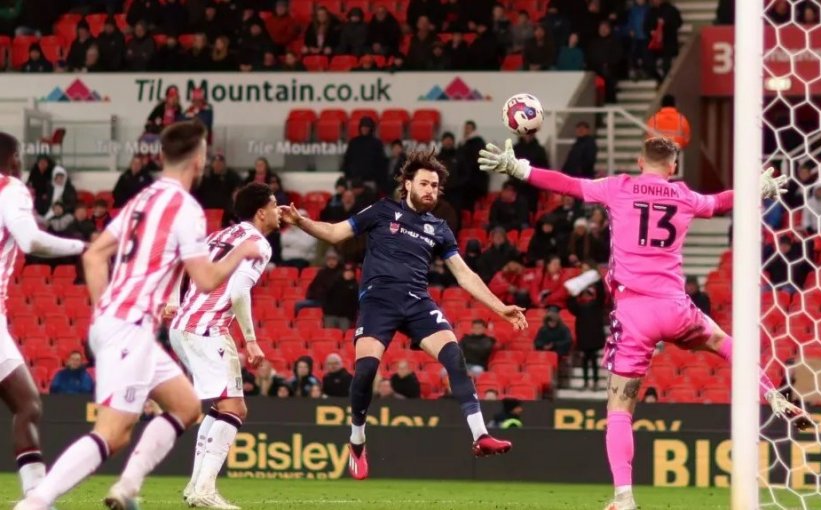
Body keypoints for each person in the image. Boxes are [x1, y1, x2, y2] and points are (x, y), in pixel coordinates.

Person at [478, 136, 812, 510]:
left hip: (634, 312)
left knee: (619, 409)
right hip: (675, 306)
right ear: (673, 167)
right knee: (724, 343)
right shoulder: (683, 195)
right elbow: (719, 202)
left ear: (639, 161)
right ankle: (772, 394)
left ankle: (624, 497)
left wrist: (517, 168)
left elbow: (568, 184)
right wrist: (757, 189)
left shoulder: (619, 187)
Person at [15, 122, 263, 510]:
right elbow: (206, 276)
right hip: (128, 327)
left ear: (162, 156)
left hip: (121, 323)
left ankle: (127, 488)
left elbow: (94, 255)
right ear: (198, 159)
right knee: (112, 434)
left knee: (185, 405)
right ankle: (36, 502)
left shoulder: (141, 199)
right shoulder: (187, 209)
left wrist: (104, 314)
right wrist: (239, 253)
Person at [279, 149, 526, 480]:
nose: (430, 190)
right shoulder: (382, 211)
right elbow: (337, 233)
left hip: (417, 303)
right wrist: (301, 222)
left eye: (435, 186)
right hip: (378, 302)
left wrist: (499, 307)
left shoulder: (439, 228)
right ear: (407, 183)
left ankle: (480, 435)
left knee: (455, 358)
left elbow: (464, 275)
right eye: (424, 183)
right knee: (365, 372)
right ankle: (356, 440)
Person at [166, 182, 277, 508]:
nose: (278, 210)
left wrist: (173, 301)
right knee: (234, 408)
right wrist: (252, 342)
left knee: (223, 407)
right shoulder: (258, 244)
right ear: (260, 212)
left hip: (182, 327)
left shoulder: (221, 235)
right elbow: (239, 292)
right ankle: (204, 491)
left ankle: (195, 488)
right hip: (206, 328)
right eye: (274, 205)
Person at [0, 132, 87, 500]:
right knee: (28, 404)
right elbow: (31, 240)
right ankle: (36, 499)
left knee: (27, 404)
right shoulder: (10, 187)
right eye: (19, 155)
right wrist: (84, 245)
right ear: (13, 157)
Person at [322, 263, 360, 332]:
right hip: (330, 315)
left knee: (344, 335)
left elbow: (356, 303)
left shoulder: (356, 286)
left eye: (350, 272)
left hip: (346, 318)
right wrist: (326, 311)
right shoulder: (334, 283)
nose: (348, 273)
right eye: (346, 271)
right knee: (329, 335)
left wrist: (351, 316)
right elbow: (326, 296)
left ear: (353, 273)